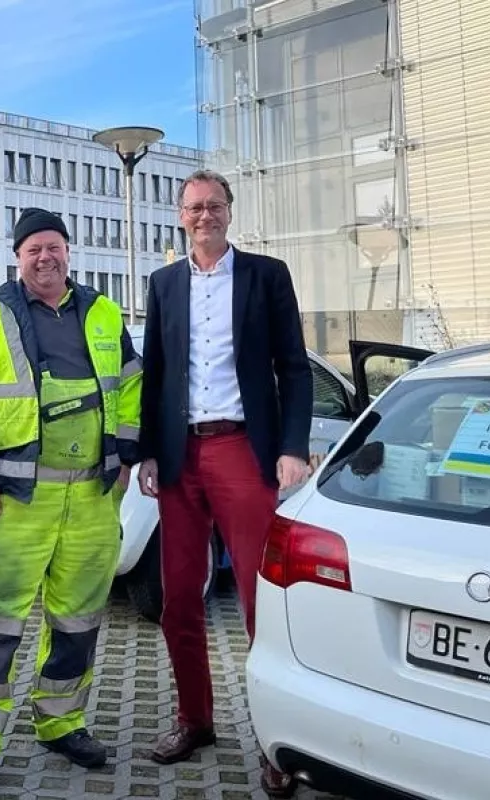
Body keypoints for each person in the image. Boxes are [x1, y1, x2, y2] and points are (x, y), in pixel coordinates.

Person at [0, 208, 143, 799]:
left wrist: (125, 455)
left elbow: (131, 386)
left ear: (68, 252)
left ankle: (60, 722)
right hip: (16, 498)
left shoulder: (104, 313)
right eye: (33, 250)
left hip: (90, 495)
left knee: (78, 620)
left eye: (53, 247)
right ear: (18, 257)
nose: (45, 257)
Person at [136, 169, 313, 796]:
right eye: (193, 208)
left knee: (259, 599)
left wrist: (293, 447)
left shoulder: (267, 276)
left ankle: (276, 738)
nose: (204, 216)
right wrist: (150, 453)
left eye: (214, 206)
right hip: (182, 455)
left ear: (229, 213)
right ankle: (196, 719)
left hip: (243, 450)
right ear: (180, 217)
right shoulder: (163, 284)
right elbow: (154, 373)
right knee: (178, 596)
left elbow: (293, 367)